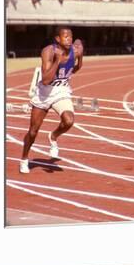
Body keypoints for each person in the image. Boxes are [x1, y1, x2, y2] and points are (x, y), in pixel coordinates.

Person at [19, 26, 84, 173]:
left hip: (61, 91)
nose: (69, 39)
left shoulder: (77, 50)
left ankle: (53, 136)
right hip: (44, 93)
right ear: (57, 39)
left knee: (69, 121)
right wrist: (57, 61)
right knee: (33, 132)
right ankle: (24, 159)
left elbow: (79, 65)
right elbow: (46, 80)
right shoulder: (48, 51)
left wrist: (69, 72)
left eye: (70, 37)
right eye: (65, 37)